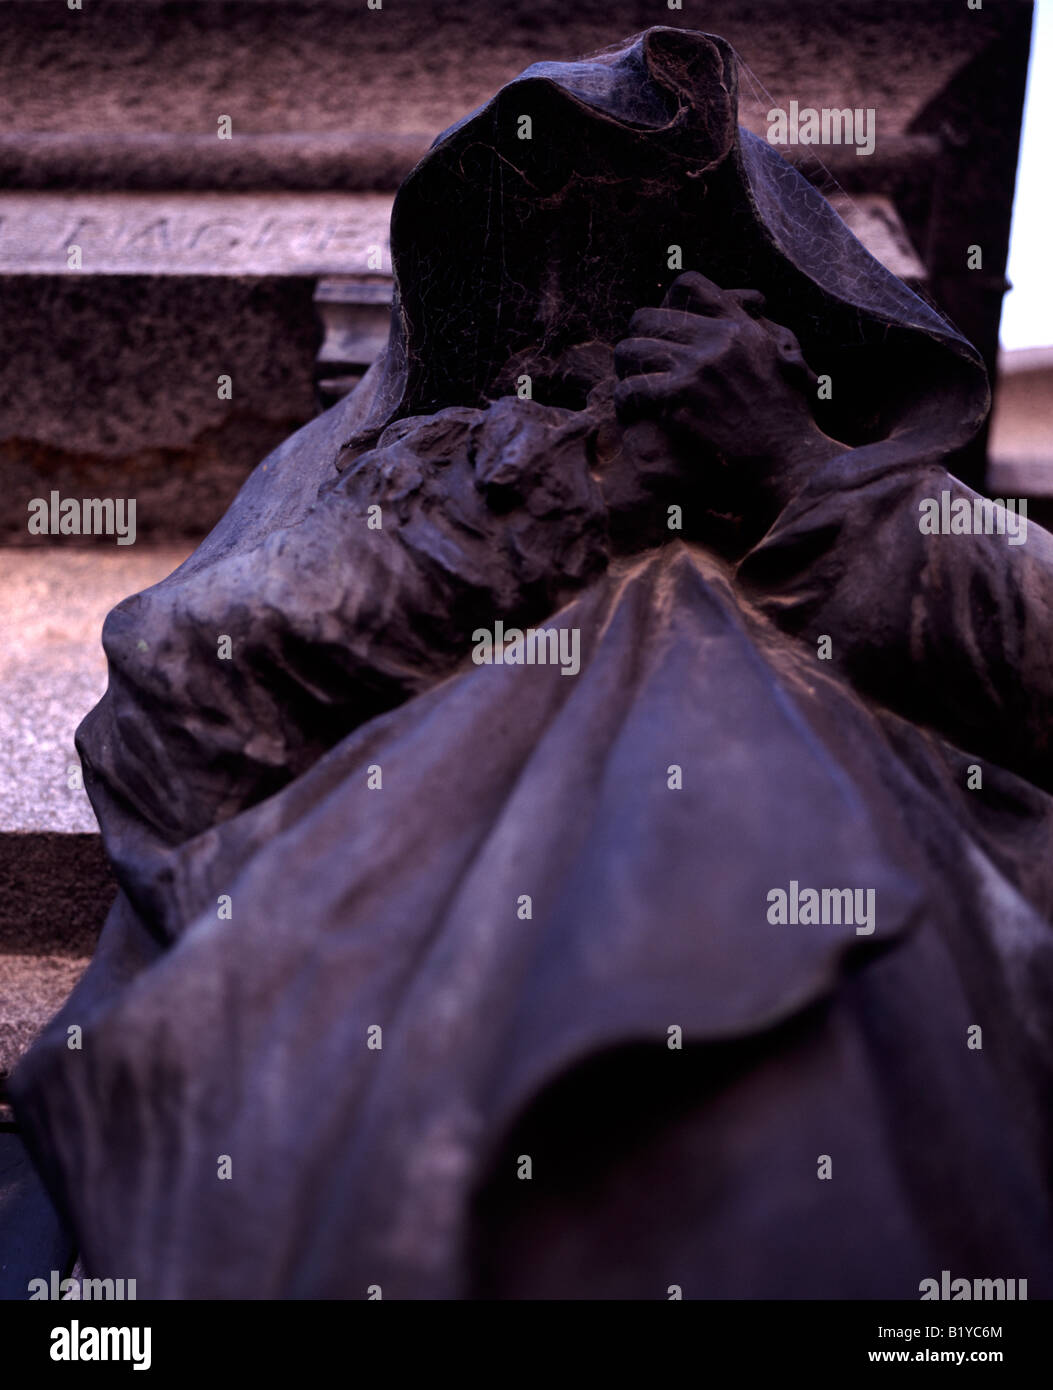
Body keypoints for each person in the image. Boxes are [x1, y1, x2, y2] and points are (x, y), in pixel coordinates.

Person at [12, 26, 1053, 1299]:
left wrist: (798, 482)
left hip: (872, 1002)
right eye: (551, 242)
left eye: (668, 244)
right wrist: (564, 504)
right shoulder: (387, 472)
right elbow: (174, 698)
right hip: (392, 1016)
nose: (596, 296)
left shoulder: (870, 484)